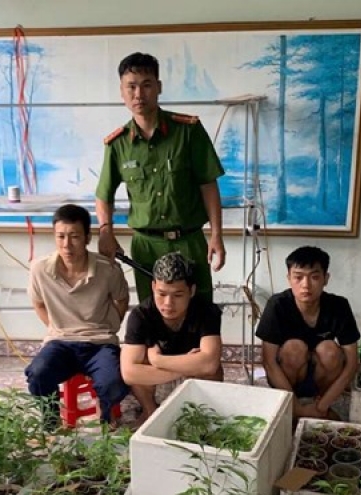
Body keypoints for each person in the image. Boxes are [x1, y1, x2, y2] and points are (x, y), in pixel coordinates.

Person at [95, 52, 226, 304]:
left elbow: (208, 185)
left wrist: (217, 234)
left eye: (146, 85)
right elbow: (103, 195)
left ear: (159, 87)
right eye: (131, 87)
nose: (138, 94)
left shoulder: (188, 131)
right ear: (122, 92)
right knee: (153, 313)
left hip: (189, 241)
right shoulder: (118, 144)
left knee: (200, 310)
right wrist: (105, 231)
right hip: (147, 247)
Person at [24, 204, 130, 429]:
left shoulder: (107, 269)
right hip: (60, 342)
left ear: (87, 238)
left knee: (114, 382)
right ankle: (51, 421)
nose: (67, 244)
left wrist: (110, 326)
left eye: (74, 236)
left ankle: (105, 418)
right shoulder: (40, 269)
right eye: (60, 236)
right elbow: (38, 302)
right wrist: (56, 326)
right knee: (37, 374)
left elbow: (122, 300)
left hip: (99, 343)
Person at [255, 246, 360, 419]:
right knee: (293, 348)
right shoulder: (277, 305)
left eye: (315, 277)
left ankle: (318, 406)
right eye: (298, 277)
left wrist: (322, 406)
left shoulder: (339, 306)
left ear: (326, 279)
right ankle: (291, 407)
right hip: (289, 379)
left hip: (321, 380)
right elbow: (269, 362)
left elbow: (352, 364)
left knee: (330, 350)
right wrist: (297, 409)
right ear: (289, 279)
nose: (306, 285)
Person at [120, 252, 224, 424]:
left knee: (214, 371)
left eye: (177, 295)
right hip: (158, 378)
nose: (168, 303)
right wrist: (187, 367)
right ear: (153, 286)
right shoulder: (141, 315)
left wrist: (158, 360)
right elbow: (129, 373)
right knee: (140, 361)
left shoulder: (206, 311)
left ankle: (200, 417)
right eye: (161, 294)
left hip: (190, 378)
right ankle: (150, 412)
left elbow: (210, 364)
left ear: (191, 291)